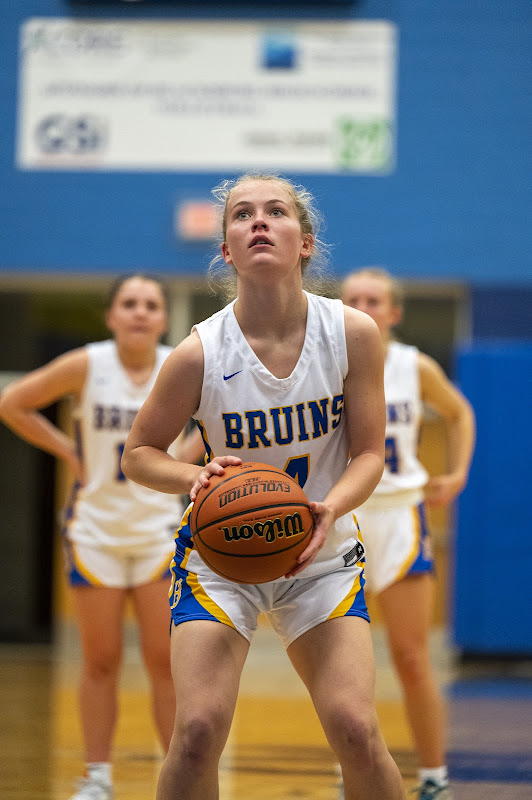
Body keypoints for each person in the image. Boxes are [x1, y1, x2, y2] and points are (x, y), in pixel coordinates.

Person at [122, 173, 406, 800]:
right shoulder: (199, 353)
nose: (257, 221)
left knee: (356, 728)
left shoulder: (352, 333)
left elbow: (366, 454)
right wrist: (194, 475)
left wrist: (331, 506)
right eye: (241, 214)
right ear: (225, 248)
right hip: (223, 562)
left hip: (321, 556)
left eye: (275, 212)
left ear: (304, 241)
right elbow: (139, 455)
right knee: (195, 729)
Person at [0, 274, 194, 800]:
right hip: (96, 531)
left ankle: (178, 778)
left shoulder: (181, 364)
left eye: (150, 304)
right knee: (101, 659)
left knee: (164, 661)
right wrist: (67, 450)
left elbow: (215, 420)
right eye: (128, 303)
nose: (139, 312)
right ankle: (98, 777)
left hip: (158, 531)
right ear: (110, 316)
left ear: (162, 317)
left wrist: (187, 457)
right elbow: (14, 402)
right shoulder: (88, 363)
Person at [341, 268, 476, 800]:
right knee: (342, 662)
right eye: (353, 299)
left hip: (400, 515)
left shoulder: (413, 366)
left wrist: (459, 473)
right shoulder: (325, 364)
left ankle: (435, 776)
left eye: (374, 299)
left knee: (411, 654)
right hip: (344, 516)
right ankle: (353, 767)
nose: (363, 305)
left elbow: (459, 412)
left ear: (395, 312)